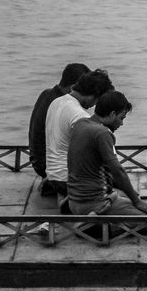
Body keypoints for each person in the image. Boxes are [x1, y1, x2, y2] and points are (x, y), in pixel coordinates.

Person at [67, 90, 147, 238]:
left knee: (125, 195)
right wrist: (137, 201)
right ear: (112, 114)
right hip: (95, 203)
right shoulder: (102, 133)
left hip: (73, 201)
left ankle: (97, 219)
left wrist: (130, 196)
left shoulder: (80, 124)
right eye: (121, 118)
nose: (121, 123)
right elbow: (118, 171)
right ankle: (97, 228)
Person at [45, 69, 113, 212]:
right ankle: (75, 203)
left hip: (52, 175)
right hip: (69, 180)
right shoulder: (80, 116)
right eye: (96, 100)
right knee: (109, 182)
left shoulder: (56, 102)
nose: (94, 105)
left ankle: (65, 197)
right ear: (93, 95)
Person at [28, 63, 90, 196]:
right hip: (47, 165)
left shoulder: (47, 94)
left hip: (38, 160)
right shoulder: (62, 103)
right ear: (74, 86)